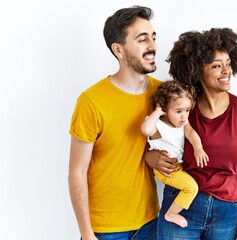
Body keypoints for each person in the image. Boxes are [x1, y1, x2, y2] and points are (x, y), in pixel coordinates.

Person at [145, 28, 237, 240]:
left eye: (228, 64)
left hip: (227, 215)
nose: (226, 71)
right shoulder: (181, 112)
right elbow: (152, 142)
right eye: (216, 66)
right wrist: (151, 157)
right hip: (181, 207)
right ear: (197, 71)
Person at [68, 6, 177, 240]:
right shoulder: (91, 101)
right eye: (142, 39)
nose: (153, 46)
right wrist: (87, 234)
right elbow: (77, 172)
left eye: (153, 37)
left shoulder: (163, 94)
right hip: (104, 229)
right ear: (119, 50)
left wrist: (151, 156)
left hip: (150, 222)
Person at [141, 80, 209, 228]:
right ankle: (171, 214)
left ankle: (172, 212)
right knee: (191, 188)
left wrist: (198, 148)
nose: (184, 117)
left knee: (191, 186)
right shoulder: (157, 126)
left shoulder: (182, 123)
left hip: (177, 167)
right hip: (165, 170)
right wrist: (158, 112)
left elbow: (190, 132)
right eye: (178, 111)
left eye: (187, 110)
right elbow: (145, 130)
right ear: (165, 109)